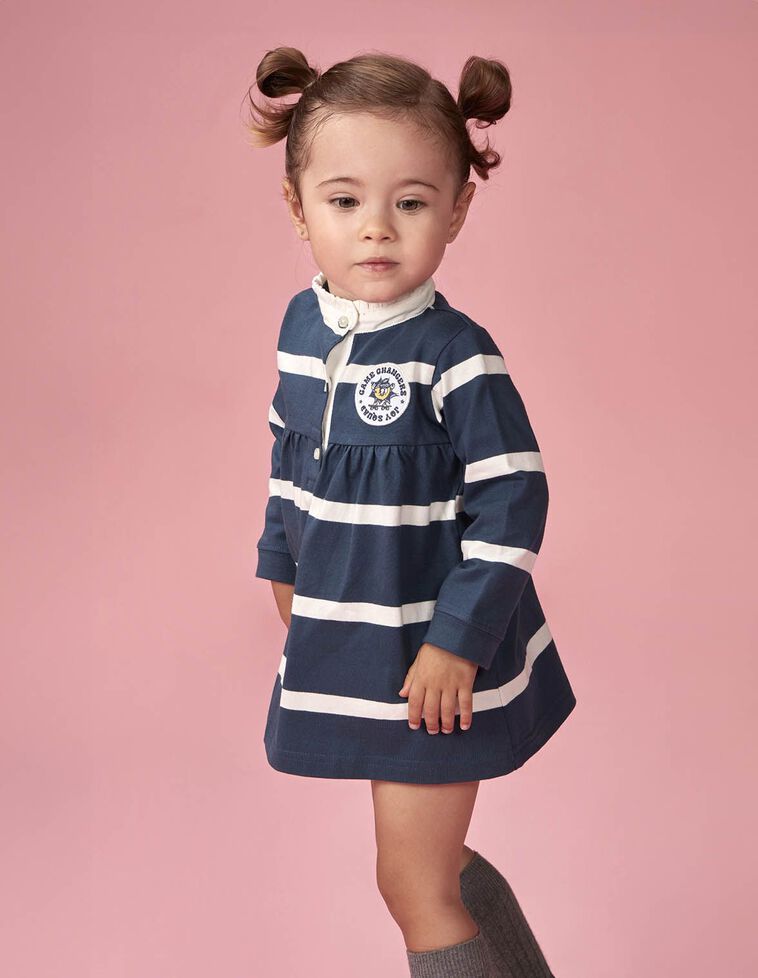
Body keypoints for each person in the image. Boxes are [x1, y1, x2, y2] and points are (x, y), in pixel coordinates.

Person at [243, 46, 577, 978]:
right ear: (298, 207)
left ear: (458, 208)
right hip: (360, 641)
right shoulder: (301, 328)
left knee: (414, 881)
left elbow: (514, 496)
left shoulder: (455, 354)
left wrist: (457, 643)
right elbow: (289, 454)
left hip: (434, 659)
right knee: (434, 867)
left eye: (413, 203)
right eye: (345, 200)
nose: (376, 228)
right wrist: (281, 560)